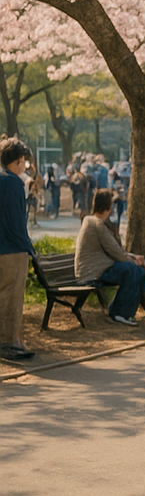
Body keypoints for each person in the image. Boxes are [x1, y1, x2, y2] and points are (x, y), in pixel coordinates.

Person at [75, 190, 145, 326]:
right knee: (132, 270)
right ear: (108, 207)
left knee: (137, 270)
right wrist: (132, 259)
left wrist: (131, 257)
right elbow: (115, 251)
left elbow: (115, 250)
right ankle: (120, 313)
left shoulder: (91, 220)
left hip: (97, 268)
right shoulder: (97, 224)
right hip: (94, 272)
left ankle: (121, 311)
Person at [0, 137, 35, 362]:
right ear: (19, 160)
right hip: (12, 249)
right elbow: (16, 222)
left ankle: (12, 340)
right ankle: (10, 342)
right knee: (12, 297)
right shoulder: (13, 183)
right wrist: (28, 247)